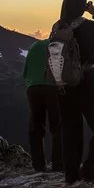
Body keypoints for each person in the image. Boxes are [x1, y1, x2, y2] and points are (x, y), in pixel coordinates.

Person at [55, 0, 94, 183]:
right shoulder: (85, 26)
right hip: (85, 82)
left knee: (71, 130)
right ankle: (92, 170)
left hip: (63, 86)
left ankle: (71, 175)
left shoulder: (58, 28)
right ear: (82, 6)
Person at [22, 37, 62, 172]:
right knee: (57, 127)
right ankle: (58, 165)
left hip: (33, 87)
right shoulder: (60, 46)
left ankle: (39, 166)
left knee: (36, 127)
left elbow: (25, 72)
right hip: (52, 88)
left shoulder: (35, 45)